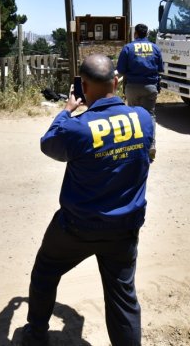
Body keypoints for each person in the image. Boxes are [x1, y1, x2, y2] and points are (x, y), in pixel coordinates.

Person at [22, 54, 155, 346]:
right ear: (116, 82)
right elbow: (147, 155)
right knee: (123, 299)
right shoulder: (144, 119)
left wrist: (67, 110)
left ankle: (35, 336)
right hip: (124, 228)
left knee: (45, 270)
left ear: (83, 85)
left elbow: (49, 144)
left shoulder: (77, 128)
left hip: (78, 227)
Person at [116, 23, 163, 118]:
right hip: (150, 87)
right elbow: (161, 69)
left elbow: (121, 69)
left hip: (132, 87)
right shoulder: (155, 48)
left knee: (134, 116)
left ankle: (137, 133)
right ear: (147, 34)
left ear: (135, 34)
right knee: (149, 115)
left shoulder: (128, 48)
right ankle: (150, 133)